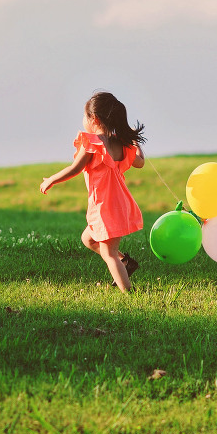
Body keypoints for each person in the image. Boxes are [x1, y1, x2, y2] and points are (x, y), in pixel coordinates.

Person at [40, 91, 146, 292]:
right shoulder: (121, 144)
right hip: (119, 204)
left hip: (105, 206)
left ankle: (129, 294)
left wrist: (52, 179)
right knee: (88, 239)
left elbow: (75, 168)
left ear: (94, 118)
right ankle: (127, 263)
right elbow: (140, 163)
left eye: (84, 116)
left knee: (109, 254)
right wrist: (135, 142)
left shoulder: (92, 143)